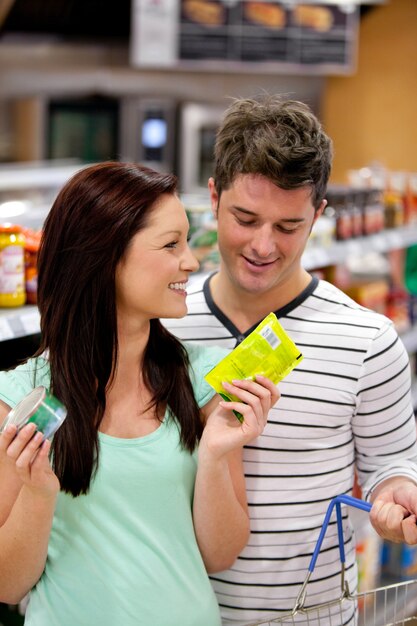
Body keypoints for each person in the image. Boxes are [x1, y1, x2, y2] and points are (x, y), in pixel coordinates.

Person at [163, 94, 417, 625]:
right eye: (245, 218)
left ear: (319, 215)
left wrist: (399, 502)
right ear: (212, 198)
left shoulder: (367, 339)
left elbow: (391, 467)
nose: (262, 245)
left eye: (287, 226)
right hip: (177, 612)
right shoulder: (163, 325)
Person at [0, 161, 279, 626]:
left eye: (186, 241)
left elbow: (219, 554)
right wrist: (38, 492)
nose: (190, 261)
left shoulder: (202, 380)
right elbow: (8, 585)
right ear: (104, 256)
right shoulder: (24, 399)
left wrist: (213, 454)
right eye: (171, 244)